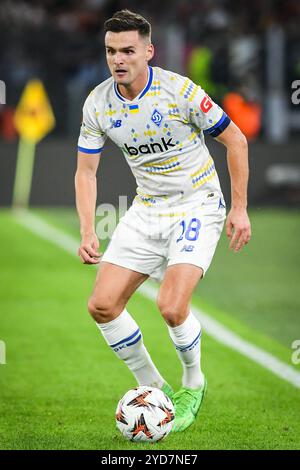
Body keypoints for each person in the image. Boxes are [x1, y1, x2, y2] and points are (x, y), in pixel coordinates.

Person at [75, 9, 251, 433]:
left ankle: (192, 383)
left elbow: (236, 140)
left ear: (148, 52)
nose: (118, 59)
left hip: (197, 203)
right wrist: (86, 230)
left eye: (128, 51)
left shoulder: (180, 91)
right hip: (147, 207)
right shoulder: (98, 102)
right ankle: (153, 387)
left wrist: (239, 207)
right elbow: (86, 171)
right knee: (102, 305)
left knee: (171, 307)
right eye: (111, 51)